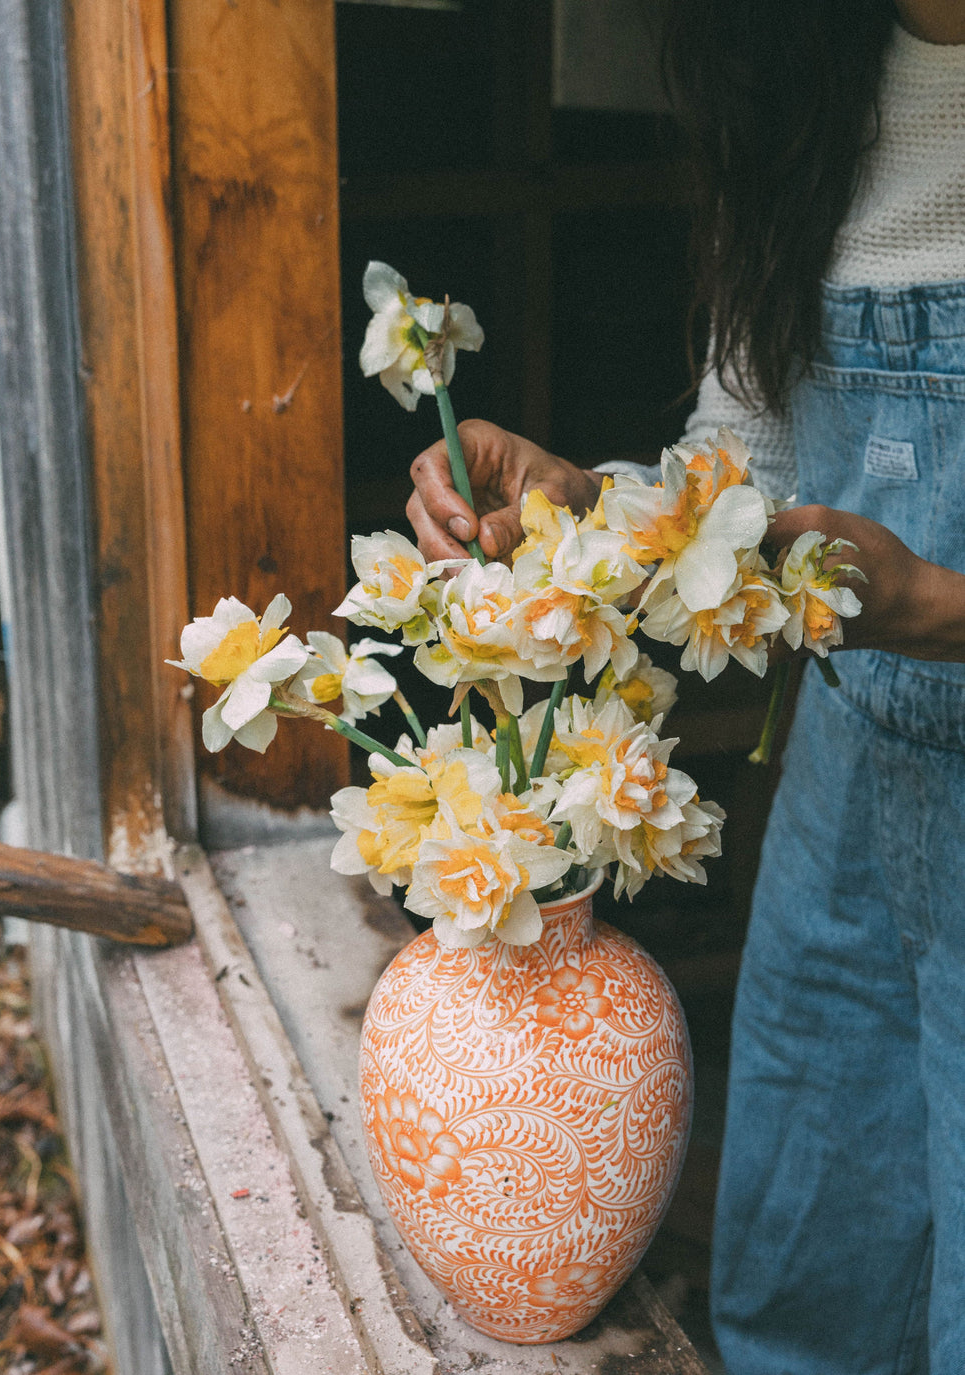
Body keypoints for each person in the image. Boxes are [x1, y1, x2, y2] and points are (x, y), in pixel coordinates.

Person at [405, 3, 965, 1372]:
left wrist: (932, 608)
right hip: (848, 804)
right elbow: (743, 475)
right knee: (805, 1278)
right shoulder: (794, 70)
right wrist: (583, 506)